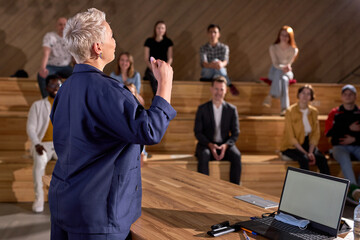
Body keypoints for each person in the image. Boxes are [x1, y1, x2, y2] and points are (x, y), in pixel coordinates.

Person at [49, 8, 176, 240]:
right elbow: (149, 130)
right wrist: (164, 85)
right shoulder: (108, 89)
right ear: (98, 47)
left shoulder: (64, 89)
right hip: (95, 215)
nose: (115, 41)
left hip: (64, 203)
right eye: (111, 35)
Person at [194, 76, 241, 184]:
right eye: (216, 89)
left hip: (225, 145)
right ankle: (203, 187)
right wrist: (210, 144)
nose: (218, 92)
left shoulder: (232, 109)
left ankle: (235, 189)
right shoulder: (202, 109)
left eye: (221, 89)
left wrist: (226, 145)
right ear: (211, 89)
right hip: (206, 144)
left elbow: (235, 132)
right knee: (204, 154)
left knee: (237, 155)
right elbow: (198, 132)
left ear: (226, 91)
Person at [26, 74, 62, 213]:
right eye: (52, 85)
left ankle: (63, 200)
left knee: (72, 162)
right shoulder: (38, 105)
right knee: (40, 160)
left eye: (58, 85)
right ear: (46, 88)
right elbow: (30, 127)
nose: (56, 88)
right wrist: (36, 144)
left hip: (60, 145)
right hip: (43, 144)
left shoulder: (66, 105)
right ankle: (39, 198)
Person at [280, 85, 330, 174]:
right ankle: (306, 186)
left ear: (311, 97)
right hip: (292, 146)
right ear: (299, 95)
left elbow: (315, 134)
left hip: (308, 144)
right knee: (304, 159)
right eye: (303, 93)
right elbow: (291, 137)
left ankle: (328, 185)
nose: (305, 96)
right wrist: (307, 154)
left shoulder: (314, 111)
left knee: (322, 159)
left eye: (308, 94)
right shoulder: (290, 111)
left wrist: (310, 152)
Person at [325, 84, 360, 184]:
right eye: (345, 94)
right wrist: (348, 127)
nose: (348, 96)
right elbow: (328, 133)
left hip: (357, 146)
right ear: (342, 97)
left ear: (355, 96)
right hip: (339, 147)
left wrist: (355, 139)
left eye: (351, 94)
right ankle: (354, 191)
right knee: (345, 161)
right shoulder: (334, 113)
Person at [263, 25, 299, 116]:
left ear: (290, 37)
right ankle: (285, 109)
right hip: (274, 71)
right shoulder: (273, 48)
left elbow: (289, 64)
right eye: (282, 35)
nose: (284, 37)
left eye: (287, 35)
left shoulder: (294, 50)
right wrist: (283, 68)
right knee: (283, 80)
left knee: (284, 77)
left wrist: (287, 68)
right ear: (279, 36)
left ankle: (271, 95)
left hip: (287, 71)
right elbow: (275, 63)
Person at [38, 17, 73, 98]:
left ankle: (73, 98)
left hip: (66, 67)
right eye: (60, 24)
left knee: (79, 75)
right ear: (56, 26)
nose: (62, 27)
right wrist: (43, 68)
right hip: (51, 66)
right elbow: (46, 53)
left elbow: (74, 56)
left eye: (65, 25)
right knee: (41, 75)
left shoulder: (70, 38)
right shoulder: (50, 36)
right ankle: (46, 99)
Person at [200, 24, 239, 96]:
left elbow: (225, 61)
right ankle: (230, 85)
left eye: (215, 32)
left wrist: (220, 64)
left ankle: (218, 78)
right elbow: (204, 63)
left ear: (219, 34)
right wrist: (214, 64)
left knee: (218, 72)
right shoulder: (203, 48)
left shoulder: (224, 47)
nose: (212, 34)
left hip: (219, 71)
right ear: (208, 34)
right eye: (210, 32)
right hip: (208, 72)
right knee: (216, 62)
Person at [144, 20, 173, 95]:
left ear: (165, 30)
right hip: (151, 68)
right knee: (154, 78)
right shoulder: (149, 41)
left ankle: (158, 98)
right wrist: (153, 68)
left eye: (162, 28)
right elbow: (146, 59)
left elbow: (170, 58)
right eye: (158, 28)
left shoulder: (168, 42)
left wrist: (165, 67)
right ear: (155, 29)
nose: (160, 30)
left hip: (163, 67)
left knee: (163, 78)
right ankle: (157, 97)